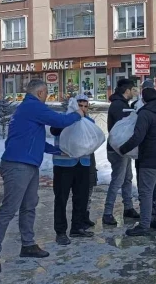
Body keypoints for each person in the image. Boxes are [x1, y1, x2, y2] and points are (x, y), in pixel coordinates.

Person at [0, 79, 84, 274]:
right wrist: (78, 114)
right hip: (17, 165)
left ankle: (28, 244)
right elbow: (60, 121)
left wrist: (57, 150)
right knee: (9, 209)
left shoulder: (27, 109)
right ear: (40, 92)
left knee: (29, 206)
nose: (47, 97)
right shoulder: (33, 106)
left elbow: (35, 139)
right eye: (46, 93)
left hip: (28, 164)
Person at [118, 88, 156, 237]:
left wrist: (123, 149)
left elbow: (138, 137)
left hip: (150, 157)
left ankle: (144, 225)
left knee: (146, 192)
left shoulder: (145, 113)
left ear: (143, 99)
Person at [49, 95, 97, 246]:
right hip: (64, 165)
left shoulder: (89, 122)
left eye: (85, 106)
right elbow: (54, 130)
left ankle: (77, 227)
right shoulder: (62, 119)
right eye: (79, 106)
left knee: (81, 197)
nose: (82, 109)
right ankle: (61, 231)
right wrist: (72, 118)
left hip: (82, 163)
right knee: (61, 199)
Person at [102, 79, 140, 226]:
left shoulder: (122, 104)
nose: (134, 93)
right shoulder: (119, 106)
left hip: (123, 148)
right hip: (117, 149)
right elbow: (122, 129)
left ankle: (128, 207)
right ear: (127, 91)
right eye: (133, 90)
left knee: (127, 178)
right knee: (117, 179)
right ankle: (107, 212)